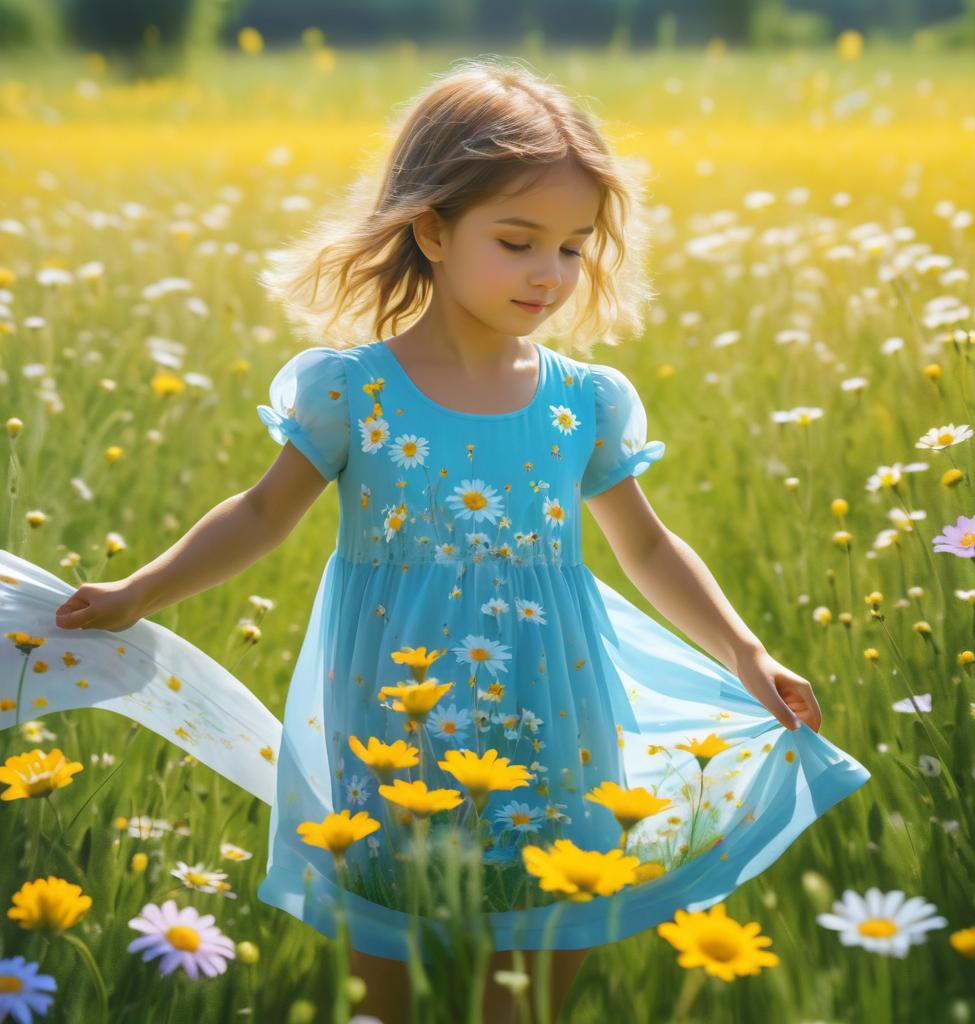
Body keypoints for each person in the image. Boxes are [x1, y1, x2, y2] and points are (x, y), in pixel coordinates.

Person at [1, 57, 871, 1024]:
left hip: (556, 709)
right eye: (518, 241)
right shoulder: (353, 390)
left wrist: (746, 652)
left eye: (575, 249)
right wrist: (138, 594)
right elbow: (259, 513)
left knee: (540, 937)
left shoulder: (585, 401)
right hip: (395, 716)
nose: (550, 273)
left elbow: (651, 547)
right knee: (393, 948)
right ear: (431, 229)